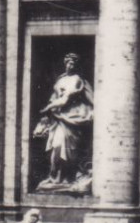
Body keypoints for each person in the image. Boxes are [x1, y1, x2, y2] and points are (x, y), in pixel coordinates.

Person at [32, 53, 96, 187]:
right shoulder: (60, 79)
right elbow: (55, 97)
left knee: (66, 149)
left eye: (73, 63)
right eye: (68, 63)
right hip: (58, 119)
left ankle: (66, 177)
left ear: (77, 65)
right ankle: (54, 176)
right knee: (56, 146)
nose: (70, 65)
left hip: (72, 118)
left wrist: (48, 108)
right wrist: (49, 110)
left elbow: (65, 99)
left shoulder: (77, 79)